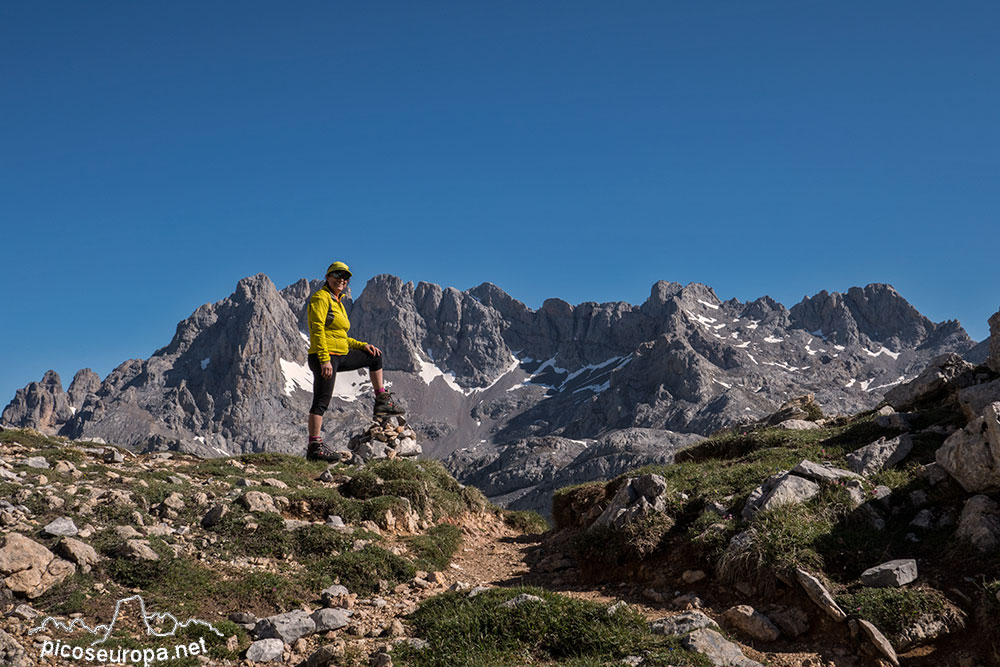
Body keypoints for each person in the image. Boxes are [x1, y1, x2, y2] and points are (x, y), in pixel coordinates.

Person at [306, 261, 404, 462]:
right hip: (324, 356)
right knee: (321, 401)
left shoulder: (338, 301)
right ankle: (314, 446)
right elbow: (317, 330)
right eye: (337, 275)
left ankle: (382, 401)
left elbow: (341, 336)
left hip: (339, 354)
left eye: (346, 276)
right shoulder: (321, 298)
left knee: (374, 356)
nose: (342, 279)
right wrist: (324, 360)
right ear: (327, 277)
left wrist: (361, 345)